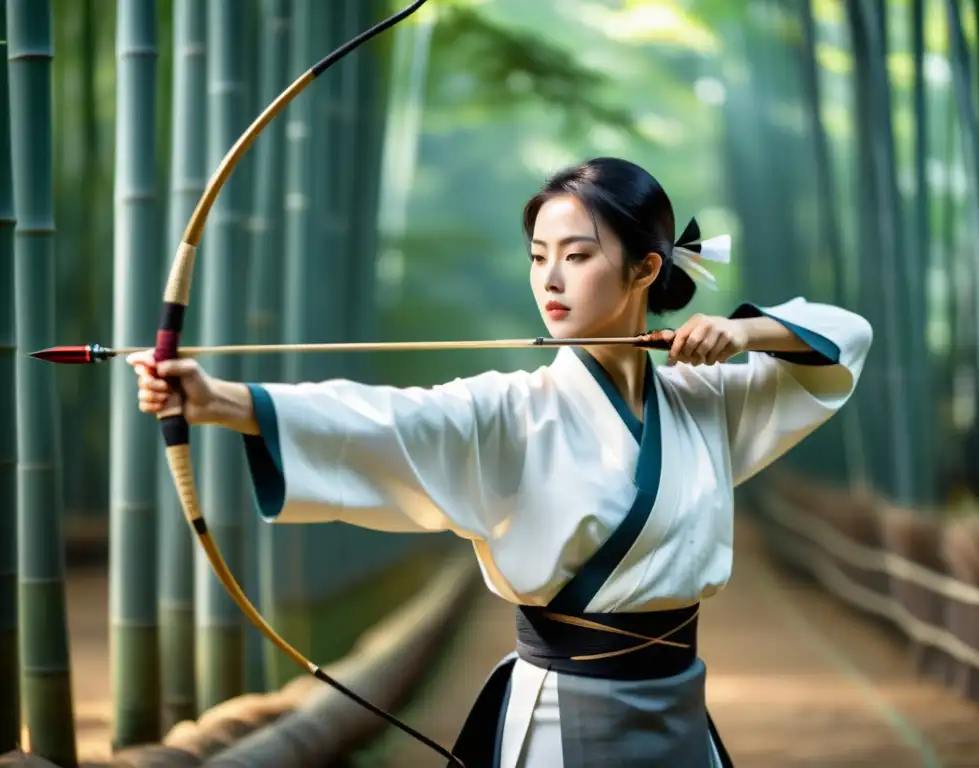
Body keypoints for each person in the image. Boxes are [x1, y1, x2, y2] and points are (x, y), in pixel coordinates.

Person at [130, 157, 872, 768]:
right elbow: (389, 420)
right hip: (559, 722)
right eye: (539, 258)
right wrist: (222, 400)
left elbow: (847, 335)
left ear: (646, 270)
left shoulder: (708, 399)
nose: (550, 280)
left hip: (679, 712)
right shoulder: (510, 411)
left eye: (578, 257)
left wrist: (747, 337)